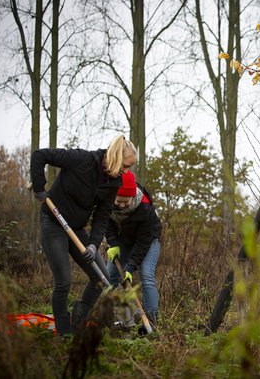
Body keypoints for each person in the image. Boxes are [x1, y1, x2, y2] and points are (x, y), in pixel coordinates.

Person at [30, 135, 137, 336]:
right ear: (115, 157)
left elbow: (102, 216)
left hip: (77, 230)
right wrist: (38, 187)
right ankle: (64, 332)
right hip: (53, 224)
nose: (127, 170)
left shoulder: (114, 182)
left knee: (101, 276)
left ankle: (78, 320)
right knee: (63, 280)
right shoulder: (81, 159)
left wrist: (93, 245)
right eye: (126, 165)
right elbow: (40, 155)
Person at [105, 170, 162, 328]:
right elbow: (107, 223)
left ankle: (151, 320)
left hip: (149, 241)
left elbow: (143, 243)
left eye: (126, 201)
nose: (122, 205)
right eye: (119, 201)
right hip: (124, 240)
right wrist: (113, 244)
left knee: (146, 274)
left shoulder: (144, 208)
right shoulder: (107, 201)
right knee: (109, 276)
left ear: (133, 197)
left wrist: (130, 268)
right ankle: (110, 317)